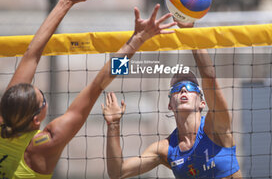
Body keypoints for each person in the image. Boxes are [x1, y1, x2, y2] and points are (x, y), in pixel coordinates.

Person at [0, 0, 176, 178]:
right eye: (42, 99)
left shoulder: (1, 123)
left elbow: (31, 54)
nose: (43, 96)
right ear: (37, 119)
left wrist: (65, 2)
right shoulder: (47, 142)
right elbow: (97, 86)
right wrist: (136, 42)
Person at [102, 21, 242, 178]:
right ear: (170, 105)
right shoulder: (165, 149)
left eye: (191, 87)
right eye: (176, 88)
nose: (183, 89)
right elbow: (118, 173)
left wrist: (190, 33)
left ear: (202, 102)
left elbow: (209, 77)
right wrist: (113, 125)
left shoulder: (216, 127)